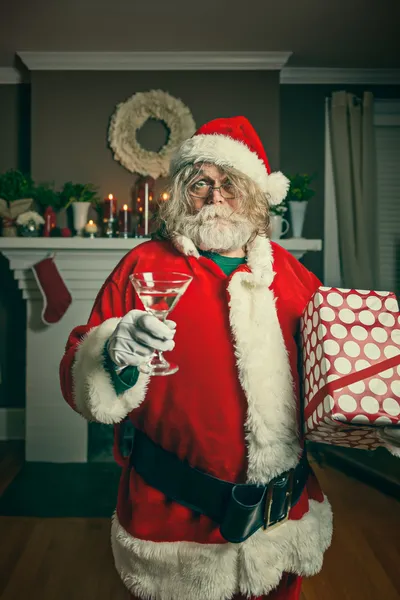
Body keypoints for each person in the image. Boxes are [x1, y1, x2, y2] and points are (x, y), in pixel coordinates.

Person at [60, 116, 399, 600]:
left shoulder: (292, 274)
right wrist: (112, 352)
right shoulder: (141, 266)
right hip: (174, 524)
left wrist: (383, 413)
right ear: (181, 194)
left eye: (230, 184)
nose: (215, 196)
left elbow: (338, 377)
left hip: (281, 520)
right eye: (200, 183)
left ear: (257, 194)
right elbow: (77, 367)